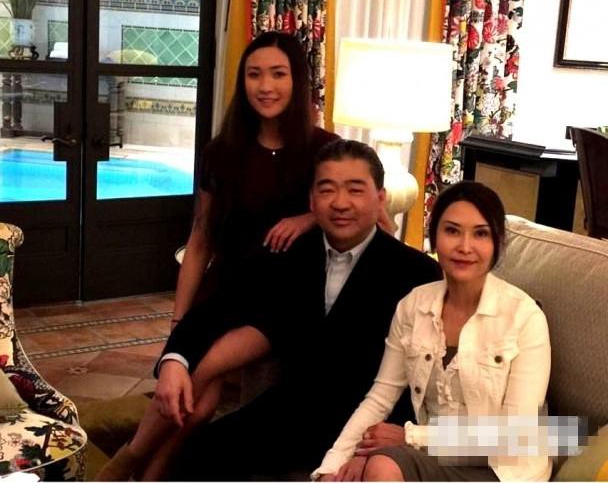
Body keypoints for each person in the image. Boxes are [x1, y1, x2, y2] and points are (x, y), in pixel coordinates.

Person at [97, 31, 339, 481]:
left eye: (278, 74)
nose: (265, 86)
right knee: (201, 401)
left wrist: (308, 218)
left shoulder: (324, 149)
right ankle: (150, 475)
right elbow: (201, 238)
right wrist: (179, 318)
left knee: (200, 369)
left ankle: (126, 461)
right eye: (254, 74)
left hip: (283, 299)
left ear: (297, 81)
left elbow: (354, 210)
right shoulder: (222, 151)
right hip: (227, 289)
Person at [153, 139, 441, 481]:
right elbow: (218, 308)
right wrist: (174, 360)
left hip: (366, 426)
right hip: (289, 413)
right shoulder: (288, 254)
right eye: (327, 190)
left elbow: (421, 380)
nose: (340, 203)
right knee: (198, 455)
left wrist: (385, 445)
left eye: (355, 190)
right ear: (311, 201)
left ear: (380, 198)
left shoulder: (417, 273)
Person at [313, 181, 552, 482]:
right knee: (382, 465)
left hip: (504, 468)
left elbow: (516, 435)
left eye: (480, 233)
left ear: (498, 243)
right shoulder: (414, 305)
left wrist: (413, 436)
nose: (465, 246)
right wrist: (332, 466)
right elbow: (380, 396)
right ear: (434, 236)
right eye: (452, 231)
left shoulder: (525, 317)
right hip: (436, 455)